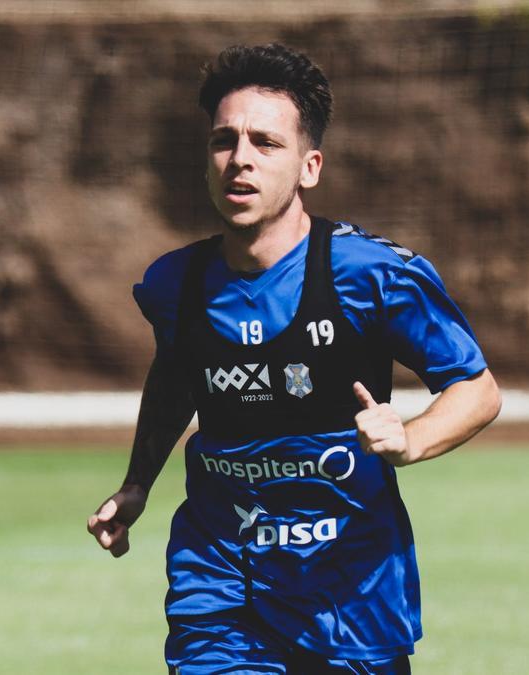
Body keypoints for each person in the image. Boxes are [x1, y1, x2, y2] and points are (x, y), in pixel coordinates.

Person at [87, 43, 501, 674]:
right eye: (224, 141)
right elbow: (176, 377)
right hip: (221, 574)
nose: (240, 160)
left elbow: (477, 389)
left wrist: (407, 440)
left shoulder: (373, 275)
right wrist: (138, 482)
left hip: (350, 584)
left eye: (265, 143)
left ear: (310, 167)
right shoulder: (174, 285)